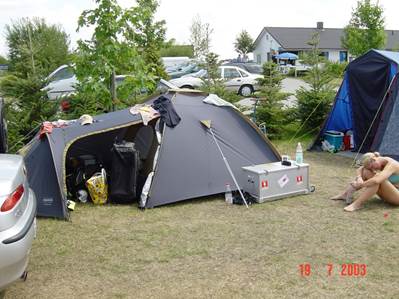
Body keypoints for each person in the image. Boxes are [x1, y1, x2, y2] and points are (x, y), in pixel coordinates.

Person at [330, 152, 399, 212]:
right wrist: (359, 178)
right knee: (366, 171)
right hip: (390, 193)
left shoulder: (392, 164)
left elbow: (377, 180)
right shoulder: (378, 160)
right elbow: (361, 168)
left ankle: (357, 204)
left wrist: (360, 185)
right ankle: (345, 194)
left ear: (373, 160)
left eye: (372, 167)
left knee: (376, 179)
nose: (373, 169)